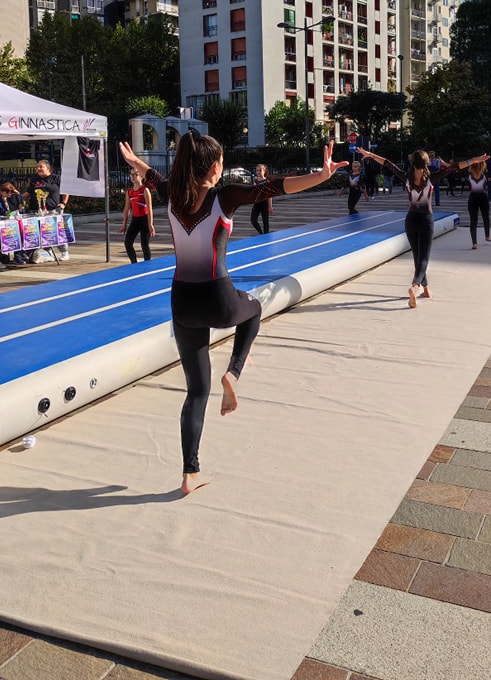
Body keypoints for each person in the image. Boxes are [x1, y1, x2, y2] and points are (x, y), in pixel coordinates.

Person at [119, 133, 348, 495]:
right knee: (254, 308)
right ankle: (234, 373)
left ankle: (189, 473)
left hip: (182, 302)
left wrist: (136, 164)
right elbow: (274, 188)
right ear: (215, 167)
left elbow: (153, 177)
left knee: (196, 391)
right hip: (219, 297)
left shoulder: (172, 196)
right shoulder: (223, 197)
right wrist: (321, 176)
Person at [356, 146, 454, 307]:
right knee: (423, 258)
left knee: (417, 255)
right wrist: (474, 160)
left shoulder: (406, 177)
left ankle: (426, 288)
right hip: (426, 219)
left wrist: (370, 155)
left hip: (411, 219)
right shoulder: (432, 178)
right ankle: (415, 286)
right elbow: (455, 168)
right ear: (426, 162)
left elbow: (388, 164)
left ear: (412, 163)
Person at [23, 158, 71, 262]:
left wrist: (63, 203)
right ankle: (48, 252)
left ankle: (64, 251)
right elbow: (28, 193)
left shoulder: (56, 178)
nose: (38, 169)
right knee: (42, 233)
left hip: (53, 209)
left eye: (41, 167)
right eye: (37, 167)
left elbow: (66, 191)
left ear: (48, 168)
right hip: (36, 210)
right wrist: (17, 197)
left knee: (57, 231)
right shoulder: (34, 179)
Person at [118, 170, 155, 262]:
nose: (133, 176)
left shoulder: (145, 190)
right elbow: (127, 209)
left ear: (142, 176)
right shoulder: (129, 192)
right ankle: (134, 263)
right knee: (128, 243)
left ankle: (147, 264)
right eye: (131, 174)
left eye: (135, 174)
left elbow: (150, 209)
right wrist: (124, 225)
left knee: (144, 244)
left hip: (144, 220)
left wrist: (150, 224)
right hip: (135, 220)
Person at [459, 154, 490, 249]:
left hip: (473, 198)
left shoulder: (468, 175)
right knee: (485, 218)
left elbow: (459, 166)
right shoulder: (485, 175)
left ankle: (475, 243)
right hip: (481, 198)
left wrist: (473, 160)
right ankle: (486, 236)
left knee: (474, 221)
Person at [250, 163, 274, 234]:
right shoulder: (255, 181)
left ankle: (266, 236)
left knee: (265, 221)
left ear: (264, 171)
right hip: (257, 203)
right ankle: (261, 234)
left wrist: (270, 206)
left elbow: (269, 195)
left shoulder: (267, 181)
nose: (258, 172)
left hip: (264, 203)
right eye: (257, 171)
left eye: (260, 170)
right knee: (253, 220)